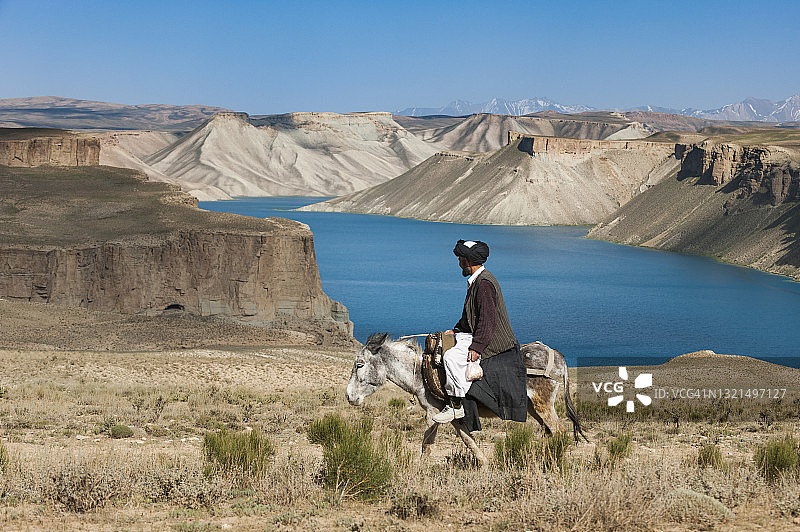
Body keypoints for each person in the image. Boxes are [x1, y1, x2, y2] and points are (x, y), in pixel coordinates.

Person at [432, 239, 527, 428]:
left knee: (451, 357)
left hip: (494, 341)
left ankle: (456, 404)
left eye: (460, 259)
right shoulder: (478, 281)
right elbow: (471, 315)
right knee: (450, 345)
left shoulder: (483, 284)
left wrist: (477, 348)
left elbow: (487, 320)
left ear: (467, 261)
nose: (458, 263)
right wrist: (457, 329)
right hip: (480, 333)